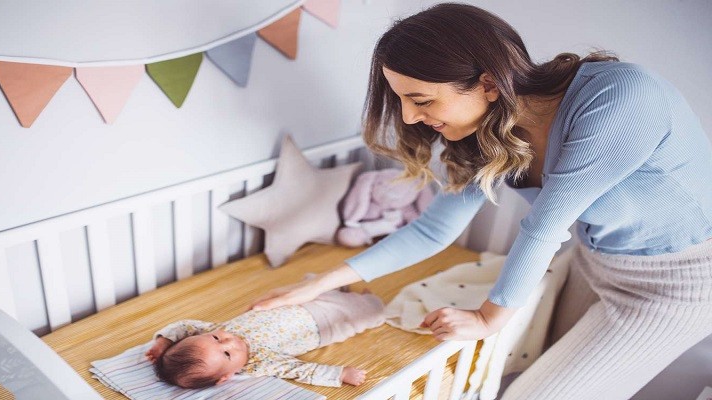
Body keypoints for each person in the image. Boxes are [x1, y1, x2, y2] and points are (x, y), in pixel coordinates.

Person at [250, 3, 712, 399]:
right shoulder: (493, 131)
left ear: (489, 84)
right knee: (527, 363)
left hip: (678, 284)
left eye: (420, 100)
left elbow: (545, 227)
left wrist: (488, 317)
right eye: (403, 101)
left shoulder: (619, 98)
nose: (410, 116)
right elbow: (433, 230)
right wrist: (318, 285)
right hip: (597, 261)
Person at [145, 283, 385, 388]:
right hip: (323, 322)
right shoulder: (258, 362)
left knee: (317, 283)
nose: (229, 341)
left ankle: (339, 288)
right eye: (227, 353)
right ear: (225, 377)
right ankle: (366, 299)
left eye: (216, 339)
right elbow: (300, 370)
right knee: (367, 311)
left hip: (297, 300)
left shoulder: (210, 328)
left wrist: (163, 341)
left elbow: (184, 326)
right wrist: (339, 374)